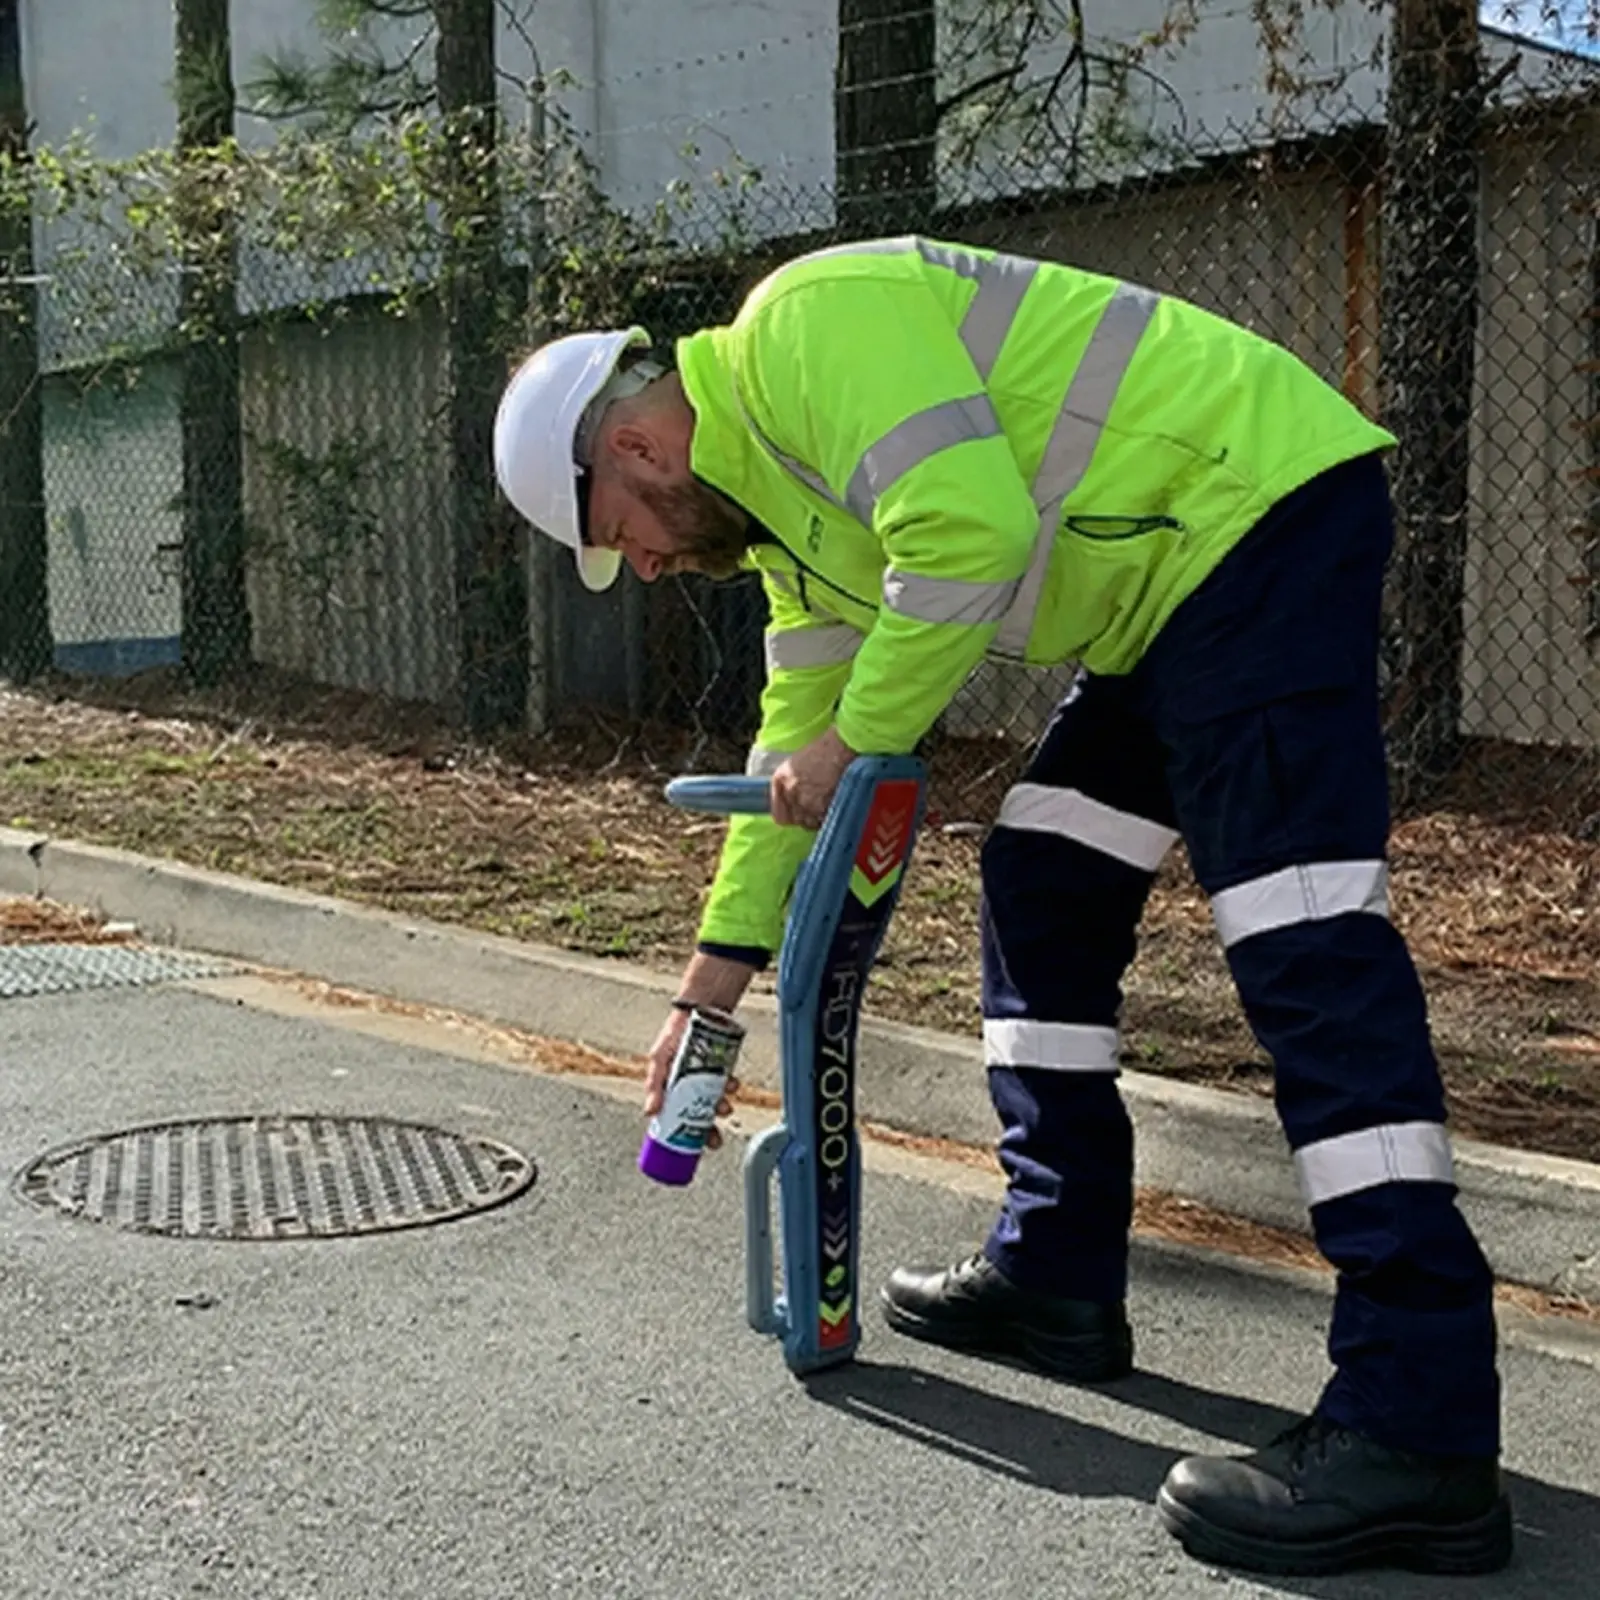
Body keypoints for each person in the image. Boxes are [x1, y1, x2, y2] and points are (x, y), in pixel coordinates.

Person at [492, 236, 1511, 1577]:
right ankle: (1056, 1275)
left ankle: (1420, 1424)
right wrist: (707, 993)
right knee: (1044, 878)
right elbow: (786, 759)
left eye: (619, 541)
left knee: (1302, 939)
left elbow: (966, 531)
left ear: (632, 451)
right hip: (1164, 599)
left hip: (1252, 520)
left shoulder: (805, 326)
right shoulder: (793, 538)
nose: (648, 567)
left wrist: (854, 742)